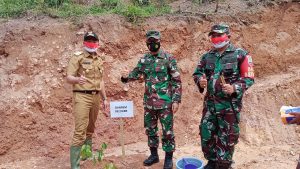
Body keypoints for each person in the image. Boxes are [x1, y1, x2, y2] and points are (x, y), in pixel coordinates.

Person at [192, 24, 254, 169]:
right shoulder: (207, 56)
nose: (216, 38)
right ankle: (212, 161)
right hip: (210, 105)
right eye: (213, 35)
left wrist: (234, 88)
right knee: (206, 133)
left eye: (219, 35)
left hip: (229, 106)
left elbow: (249, 78)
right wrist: (200, 81)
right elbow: (197, 73)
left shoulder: (241, 55)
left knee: (227, 137)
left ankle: (224, 164)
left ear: (228, 36)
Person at [121, 30, 182, 169]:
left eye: (155, 41)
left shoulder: (168, 58)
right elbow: (135, 74)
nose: (152, 44)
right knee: (150, 130)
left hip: (165, 103)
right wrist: (125, 77)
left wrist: (176, 100)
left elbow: (176, 80)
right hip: (149, 103)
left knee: (167, 132)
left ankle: (168, 158)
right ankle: (154, 155)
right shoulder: (144, 60)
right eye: (150, 42)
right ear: (146, 43)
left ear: (159, 41)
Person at [66, 31, 108, 169]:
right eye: (88, 40)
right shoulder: (77, 57)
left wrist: (104, 98)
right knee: (80, 131)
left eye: (93, 40)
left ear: (98, 43)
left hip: (95, 96)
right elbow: (69, 77)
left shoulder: (99, 59)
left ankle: (86, 155)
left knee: (90, 128)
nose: (91, 43)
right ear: (84, 42)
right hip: (82, 96)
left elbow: (101, 81)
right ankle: (75, 166)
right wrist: (78, 79)